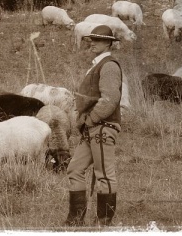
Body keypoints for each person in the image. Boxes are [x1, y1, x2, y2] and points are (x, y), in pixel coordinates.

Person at [65, 24, 122, 227]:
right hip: (92, 127)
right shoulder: (98, 64)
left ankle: (104, 222)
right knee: (74, 169)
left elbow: (110, 99)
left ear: (108, 43)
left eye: (97, 40)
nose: (92, 43)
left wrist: (91, 119)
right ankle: (75, 219)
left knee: (104, 173)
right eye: (91, 39)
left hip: (102, 126)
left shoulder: (109, 65)